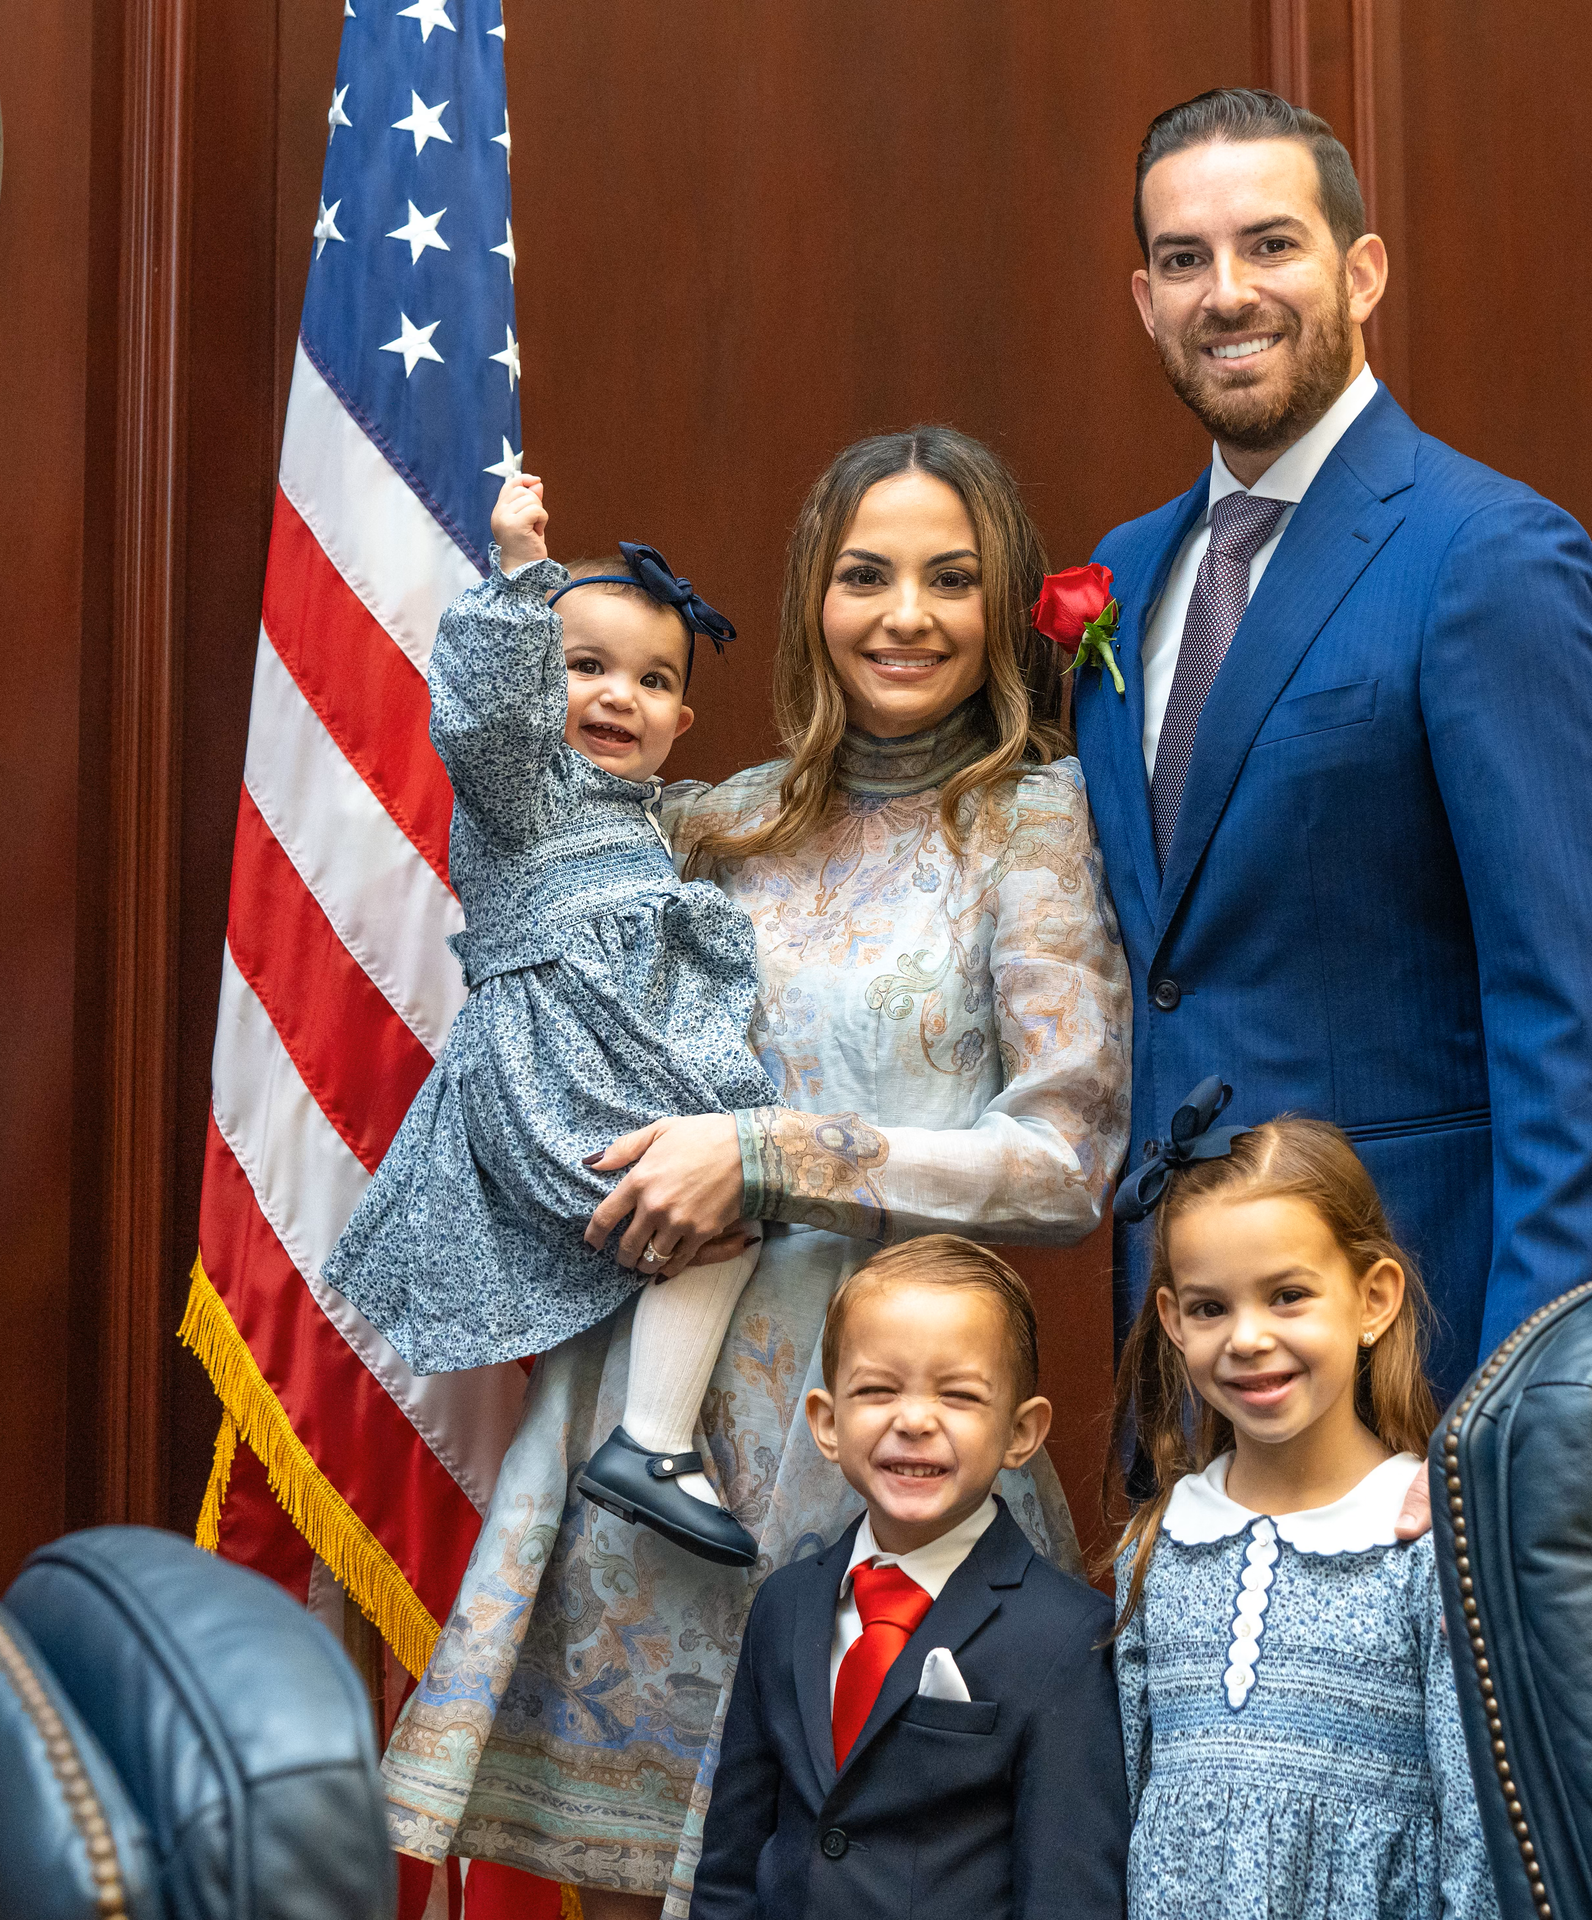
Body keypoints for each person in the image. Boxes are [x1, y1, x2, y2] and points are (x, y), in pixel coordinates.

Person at [380, 427, 1131, 1919]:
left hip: (880, 1432)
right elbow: (517, 832)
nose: (903, 614)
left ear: (1001, 608)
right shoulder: (713, 818)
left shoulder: (1031, 823)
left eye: (948, 578)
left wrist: (776, 1154)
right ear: (809, 602)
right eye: (864, 576)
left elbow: (1066, 1159)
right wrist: (526, 596)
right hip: (651, 1438)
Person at [1072, 88, 1592, 1402]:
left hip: (1420, 1349)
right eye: (1185, 260)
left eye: (1270, 245)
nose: (1226, 292)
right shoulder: (1119, 575)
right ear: (1144, 300)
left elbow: (1584, 1025)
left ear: (1362, 270)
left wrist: (1523, 1397)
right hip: (1184, 1365)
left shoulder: (1489, 556)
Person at [322, 472, 784, 1565]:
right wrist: (523, 583)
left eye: (652, 679)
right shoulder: (522, 784)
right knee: (715, 1211)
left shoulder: (652, 818)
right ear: (542, 681)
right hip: (551, 1063)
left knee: (727, 1205)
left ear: (683, 718)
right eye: (586, 668)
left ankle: (649, 1438)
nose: (619, 697)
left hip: (599, 1058)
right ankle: (652, 1443)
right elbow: (484, 719)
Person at [1105, 1079, 1497, 1920]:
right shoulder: (1157, 1547)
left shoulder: (1425, 1546)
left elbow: (1478, 1830)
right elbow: (1126, 1801)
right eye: (1211, 1307)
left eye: (1288, 1295)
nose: (1248, 1338)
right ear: (1174, 1322)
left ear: (1373, 1299)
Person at [690, 1237, 1129, 1919]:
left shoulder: (1068, 1637)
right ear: (827, 1423)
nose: (915, 1420)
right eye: (877, 1390)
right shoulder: (785, 1605)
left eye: (958, 1395)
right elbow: (732, 1859)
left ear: (1022, 1432)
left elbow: (1068, 1892)